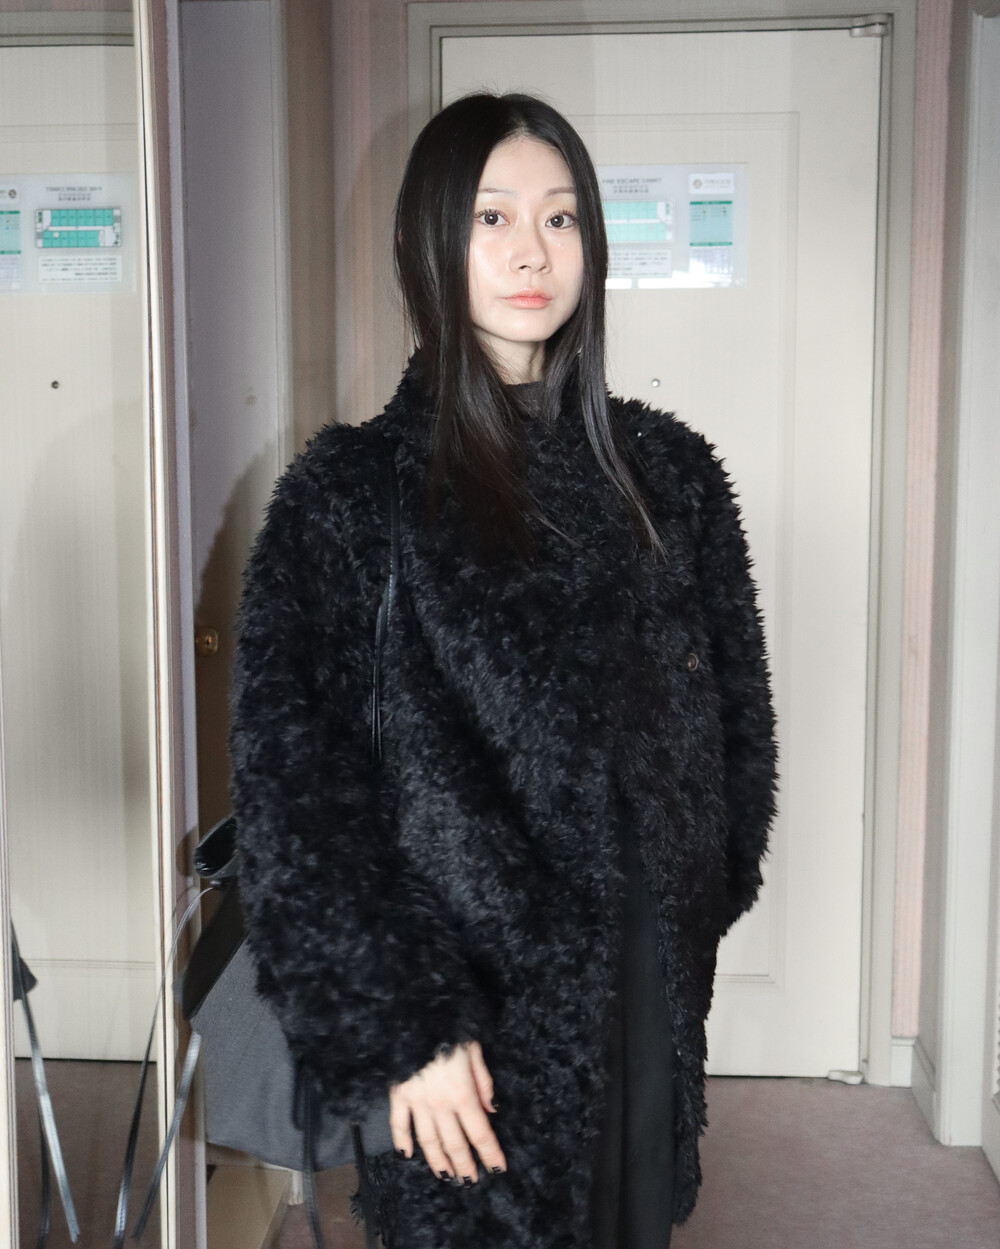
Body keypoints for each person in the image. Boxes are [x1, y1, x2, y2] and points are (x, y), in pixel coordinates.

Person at [228, 91, 777, 1249]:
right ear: (424, 240)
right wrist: (402, 1023)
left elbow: (737, 730)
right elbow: (296, 802)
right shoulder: (351, 495)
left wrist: (696, 896)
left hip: (648, 990)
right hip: (459, 1020)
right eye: (492, 216)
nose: (533, 251)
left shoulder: (670, 476)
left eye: (561, 217)